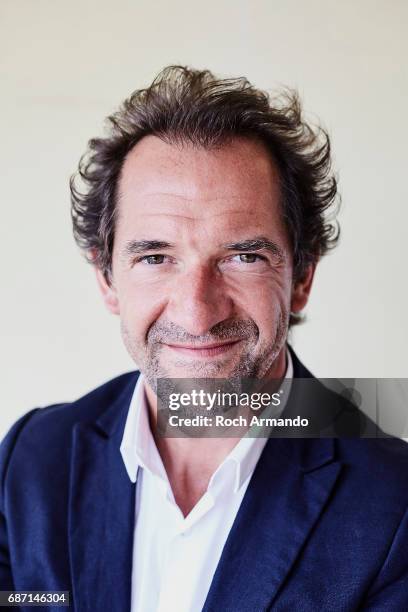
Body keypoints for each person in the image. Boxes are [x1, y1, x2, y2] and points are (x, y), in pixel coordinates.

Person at [1, 66, 408, 611]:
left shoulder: (395, 505)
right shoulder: (30, 457)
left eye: (243, 257)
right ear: (107, 280)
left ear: (302, 277)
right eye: (155, 257)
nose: (197, 312)